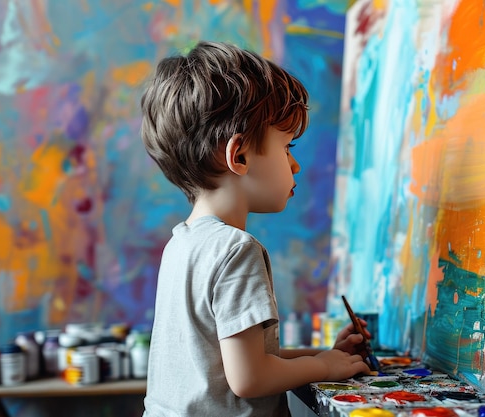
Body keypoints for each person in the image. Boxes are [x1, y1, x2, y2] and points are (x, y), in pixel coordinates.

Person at [139, 40, 371, 417]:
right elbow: (249, 377)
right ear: (239, 155)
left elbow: (230, 359)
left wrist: (322, 356)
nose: (295, 165)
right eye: (287, 147)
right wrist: (325, 368)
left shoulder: (181, 244)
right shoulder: (236, 249)